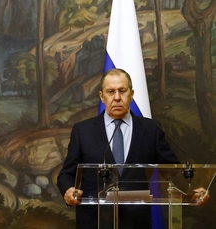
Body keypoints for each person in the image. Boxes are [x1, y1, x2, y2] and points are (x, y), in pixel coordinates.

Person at [57, 68, 209, 229]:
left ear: (132, 94)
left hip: (137, 221)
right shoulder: (83, 130)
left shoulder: (151, 129)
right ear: (102, 96)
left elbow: (172, 170)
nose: (117, 97)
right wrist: (69, 190)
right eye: (110, 92)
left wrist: (192, 192)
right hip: (95, 220)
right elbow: (66, 174)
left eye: (122, 91)